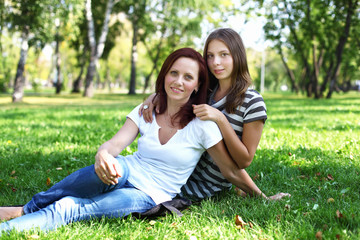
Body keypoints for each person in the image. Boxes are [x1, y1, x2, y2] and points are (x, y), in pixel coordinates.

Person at [0, 47, 268, 235]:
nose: (178, 82)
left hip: (148, 194)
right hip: (125, 169)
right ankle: (27, 209)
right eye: (173, 73)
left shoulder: (203, 124)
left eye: (188, 77)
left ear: (198, 86)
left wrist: (261, 196)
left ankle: (9, 228)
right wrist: (102, 155)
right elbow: (113, 145)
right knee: (92, 176)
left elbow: (231, 169)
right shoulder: (147, 109)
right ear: (164, 75)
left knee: (71, 208)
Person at [140, 28, 290, 201]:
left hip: (199, 187)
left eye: (223, 54)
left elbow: (244, 161)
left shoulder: (252, 102)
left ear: (237, 56)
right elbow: (175, 95)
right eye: (210, 56)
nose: (215, 62)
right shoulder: (205, 93)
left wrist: (220, 119)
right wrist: (155, 97)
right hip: (171, 174)